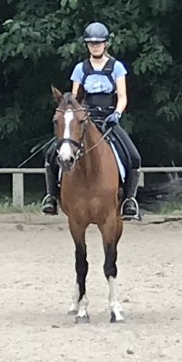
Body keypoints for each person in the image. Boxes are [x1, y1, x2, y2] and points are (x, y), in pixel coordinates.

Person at [42, 21, 142, 219]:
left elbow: (122, 96)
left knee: (134, 156)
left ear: (106, 44)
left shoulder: (116, 67)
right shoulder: (81, 68)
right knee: (51, 154)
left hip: (108, 119)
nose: (95, 46)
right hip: (84, 118)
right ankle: (51, 197)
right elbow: (73, 98)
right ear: (87, 45)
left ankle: (129, 200)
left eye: (99, 43)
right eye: (91, 43)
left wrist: (117, 114)